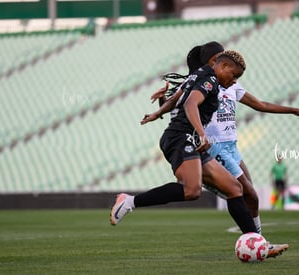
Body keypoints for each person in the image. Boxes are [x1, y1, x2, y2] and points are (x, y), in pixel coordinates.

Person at [110, 50, 287, 257]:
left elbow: (178, 98)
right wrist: (202, 134)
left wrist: (158, 112)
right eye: (234, 75)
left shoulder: (199, 75)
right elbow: (190, 103)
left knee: (234, 188)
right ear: (221, 66)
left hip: (190, 139)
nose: (234, 81)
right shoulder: (209, 79)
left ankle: (258, 244)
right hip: (180, 138)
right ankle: (129, 201)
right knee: (191, 191)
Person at [145, 41, 299, 234]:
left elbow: (260, 104)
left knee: (250, 196)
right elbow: (180, 103)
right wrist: (160, 108)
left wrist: (293, 110)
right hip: (214, 145)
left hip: (232, 145)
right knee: (244, 192)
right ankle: (256, 241)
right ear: (215, 62)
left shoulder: (232, 84)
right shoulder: (203, 82)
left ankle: (256, 239)